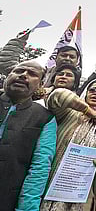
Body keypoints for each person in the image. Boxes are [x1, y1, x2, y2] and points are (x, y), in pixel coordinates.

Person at [41, 79, 96, 211]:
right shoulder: (67, 112)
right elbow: (58, 95)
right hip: (53, 177)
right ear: (85, 93)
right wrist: (88, 111)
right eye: (92, 90)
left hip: (82, 187)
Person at [0, 61, 57, 211]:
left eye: (32, 74)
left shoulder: (45, 117)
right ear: (7, 76)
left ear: (40, 85)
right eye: (19, 71)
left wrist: (27, 208)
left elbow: (40, 166)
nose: (23, 75)